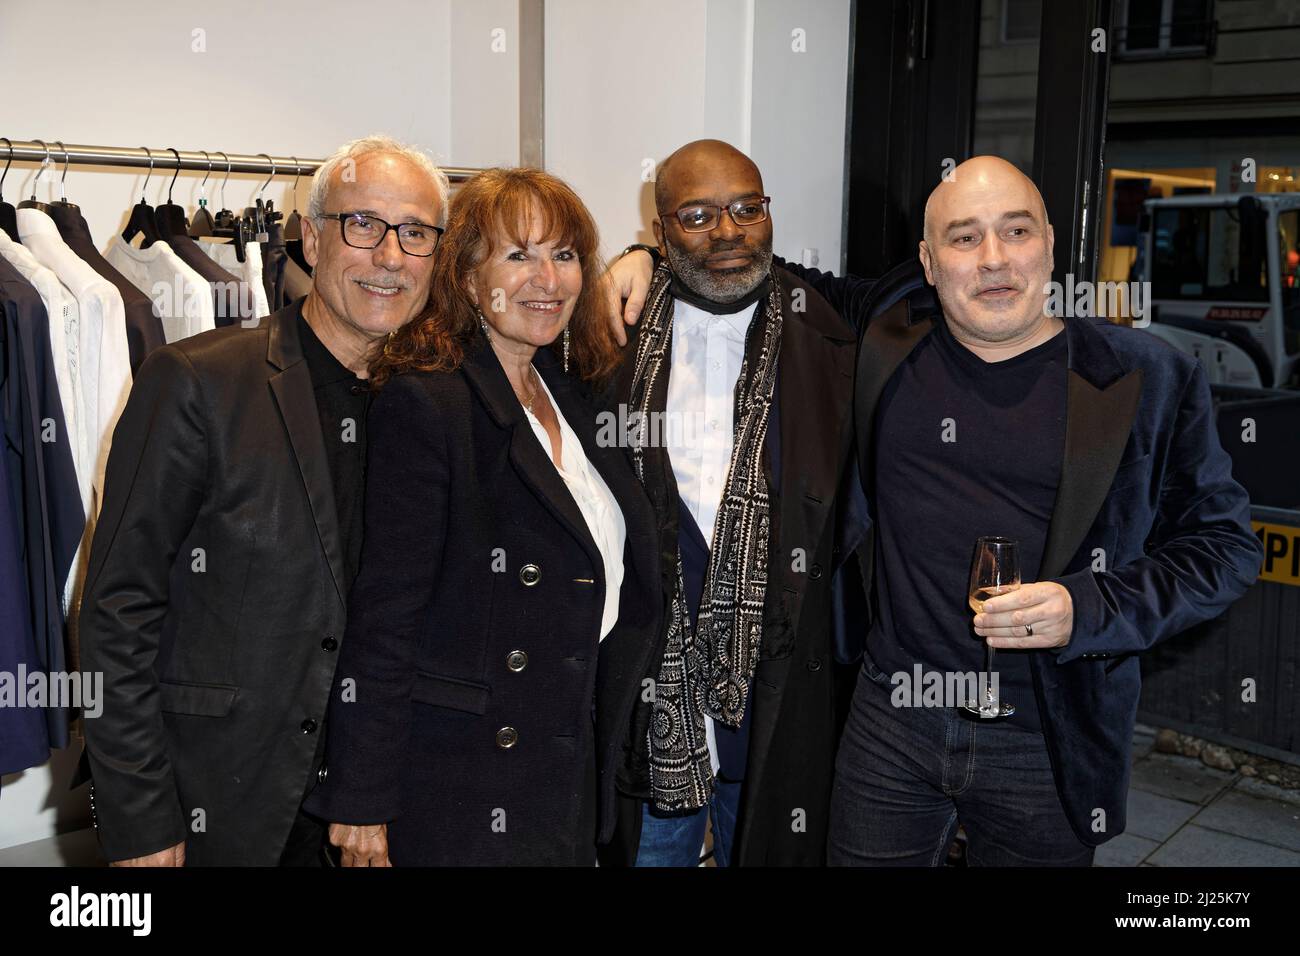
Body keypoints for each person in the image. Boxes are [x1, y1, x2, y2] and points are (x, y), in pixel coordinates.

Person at [610, 155, 1261, 865]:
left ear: (1050, 241)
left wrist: (1090, 607)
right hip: (891, 722)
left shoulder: (1145, 377)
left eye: (1016, 231)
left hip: (1047, 731)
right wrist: (645, 256)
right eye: (963, 238)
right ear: (927, 260)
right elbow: (741, 258)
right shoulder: (886, 342)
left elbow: (1224, 549)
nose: (993, 259)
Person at [77, 134, 448, 866]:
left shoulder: (438, 404)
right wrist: (141, 817)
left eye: (416, 233)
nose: (391, 256)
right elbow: (117, 609)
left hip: (378, 810)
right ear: (311, 237)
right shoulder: (197, 382)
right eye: (363, 225)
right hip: (221, 803)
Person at [302, 168, 662, 866]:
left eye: (563, 255)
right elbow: (385, 618)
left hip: (566, 765)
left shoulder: (573, 394)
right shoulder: (428, 404)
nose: (547, 279)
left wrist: (648, 254)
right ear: (467, 278)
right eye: (518, 255)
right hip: (461, 782)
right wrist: (361, 802)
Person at [596, 140, 865, 867]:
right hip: (653, 711)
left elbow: (927, 288)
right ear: (659, 233)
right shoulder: (603, 339)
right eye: (697, 214)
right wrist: (628, 260)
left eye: (748, 207)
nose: (728, 231)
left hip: (779, 702)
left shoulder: (828, 329)